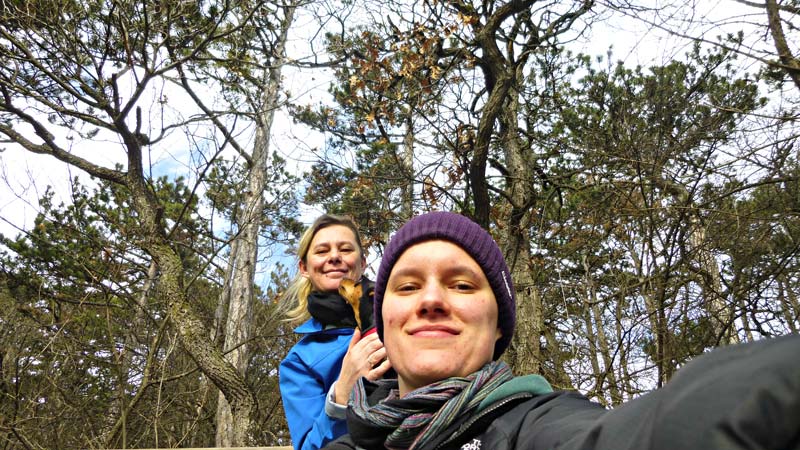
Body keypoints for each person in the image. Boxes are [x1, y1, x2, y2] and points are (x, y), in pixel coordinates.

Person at [324, 211, 800, 450]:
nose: (431, 300)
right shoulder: (351, 443)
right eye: (407, 286)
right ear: (382, 323)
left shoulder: (531, 424)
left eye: (462, 284)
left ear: (497, 329)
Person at [279, 214, 392, 450]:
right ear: (304, 268)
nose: (334, 257)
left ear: (362, 262)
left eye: (345, 249)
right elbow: (309, 446)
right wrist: (342, 395)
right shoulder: (299, 362)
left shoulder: (397, 313)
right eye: (322, 251)